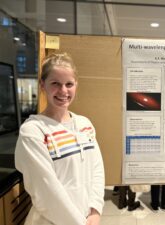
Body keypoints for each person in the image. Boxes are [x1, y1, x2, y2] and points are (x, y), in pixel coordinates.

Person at [15, 53, 105, 225]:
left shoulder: (84, 124)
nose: (63, 91)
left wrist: (95, 210)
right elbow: (46, 190)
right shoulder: (34, 131)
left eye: (69, 84)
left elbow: (97, 169)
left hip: (88, 218)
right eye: (55, 83)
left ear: (76, 85)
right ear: (43, 85)